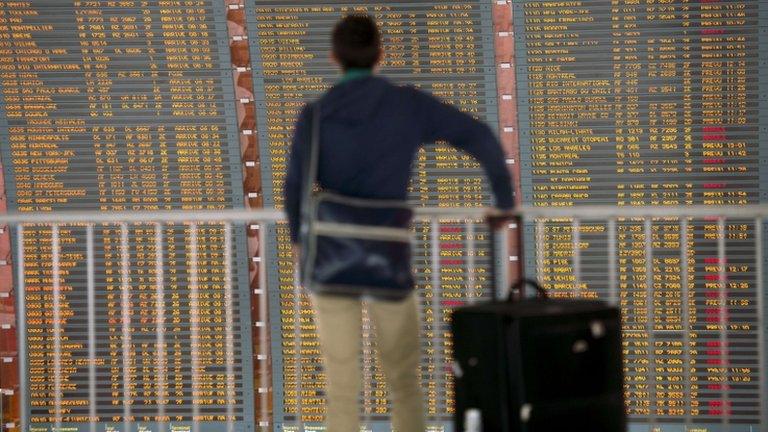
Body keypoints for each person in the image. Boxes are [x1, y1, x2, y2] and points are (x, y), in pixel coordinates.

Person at [284, 14, 515, 432]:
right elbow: (478, 135)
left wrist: (300, 243)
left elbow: (294, 186)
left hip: (331, 261)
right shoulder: (406, 104)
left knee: (341, 383)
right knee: (404, 379)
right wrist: (502, 201)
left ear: (334, 58)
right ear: (381, 55)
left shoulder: (315, 116)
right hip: (388, 258)